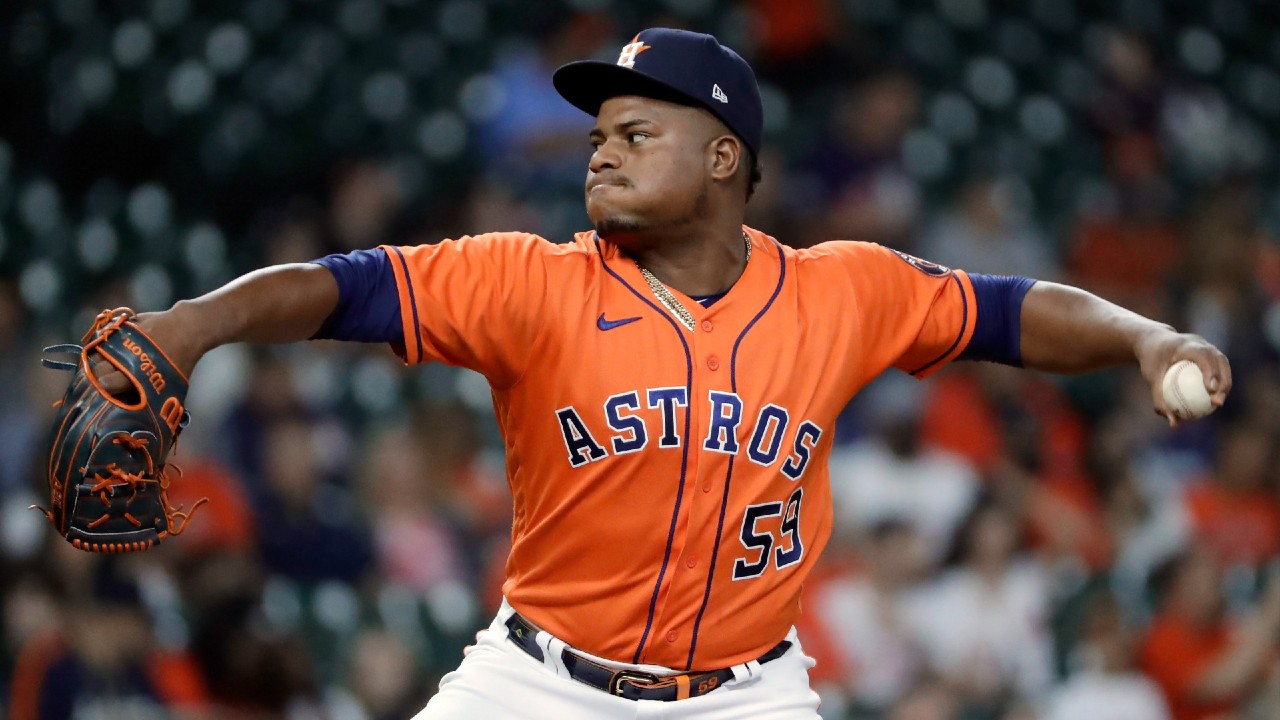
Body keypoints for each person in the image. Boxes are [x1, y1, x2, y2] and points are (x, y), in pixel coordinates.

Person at [94, 27, 1231, 720]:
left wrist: (1144, 338)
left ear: (723, 158)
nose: (601, 149)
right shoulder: (532, 282)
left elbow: (1011, 312)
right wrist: (196, 324)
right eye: (599, 134)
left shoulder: (844, 289)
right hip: (535, 685)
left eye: (638, 133)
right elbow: (341, 286)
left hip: (745, 696)